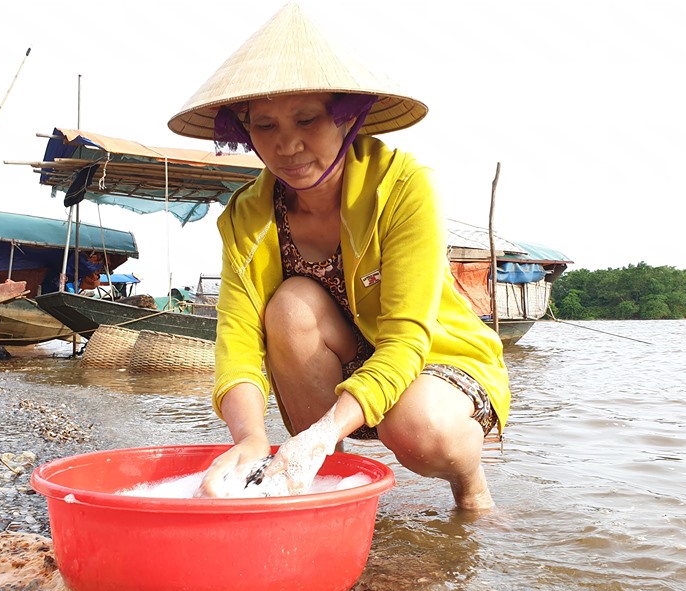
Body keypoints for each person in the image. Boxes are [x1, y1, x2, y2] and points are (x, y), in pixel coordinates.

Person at [167, 2, 510, 511]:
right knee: (290, 304)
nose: (287, 144)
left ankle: (471, 486)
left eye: (307, 118)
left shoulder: (404, 187)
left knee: (419, 427)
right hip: (341, 354)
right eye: (265, 127)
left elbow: (405, 340)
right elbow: (237, 341)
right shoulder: (246, 216)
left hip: (434, 361)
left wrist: (324, 429)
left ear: (347, 117)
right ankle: (328, 489)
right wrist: (250, 438)